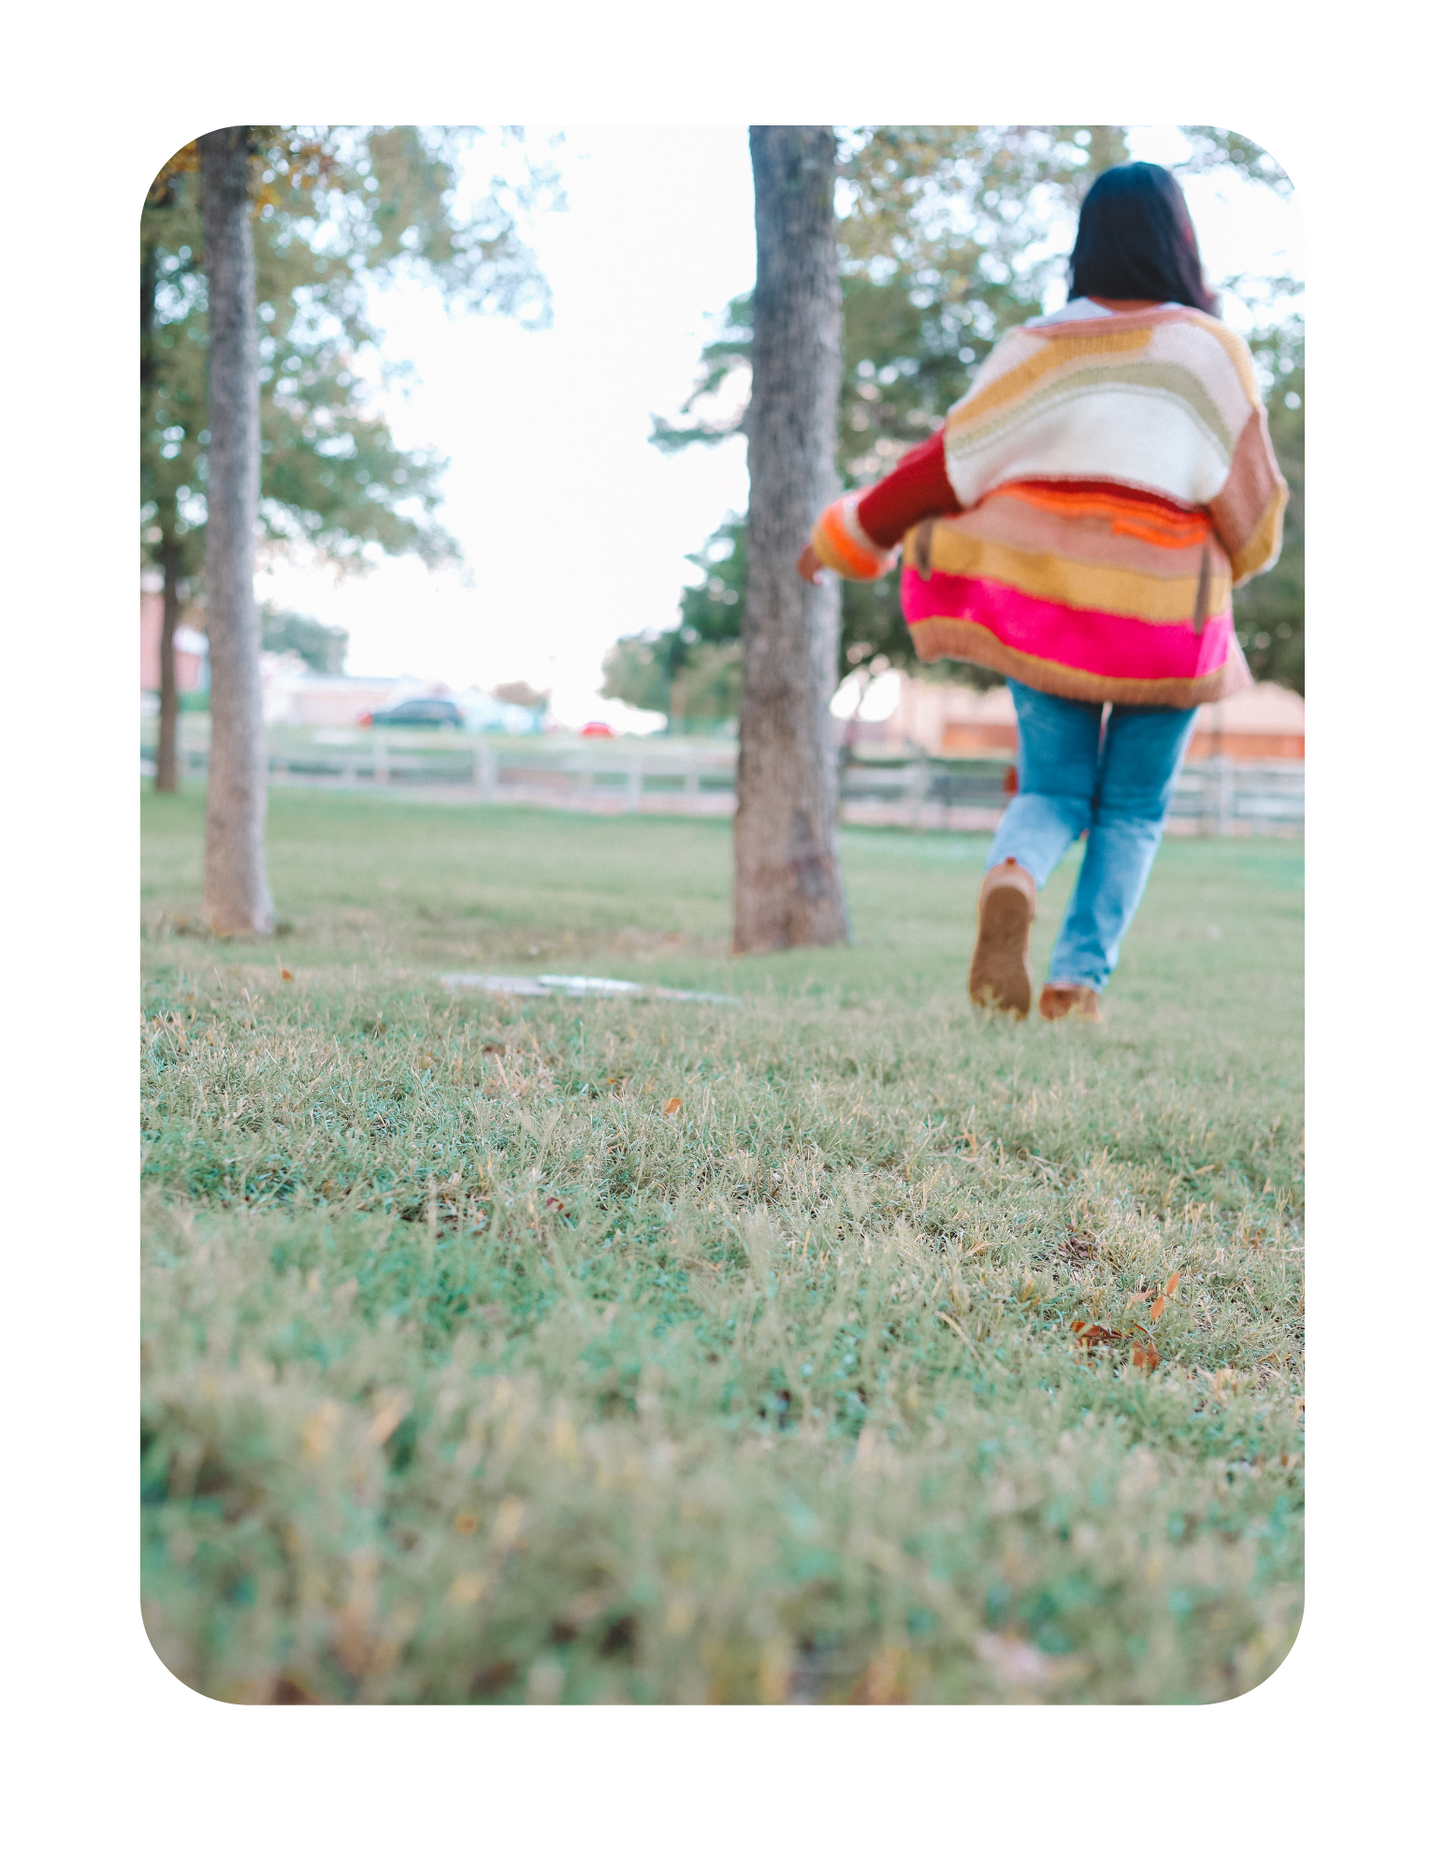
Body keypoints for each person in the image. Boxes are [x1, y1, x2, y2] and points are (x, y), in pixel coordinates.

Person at [799, 162, 1288, 1022]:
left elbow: (939, 469)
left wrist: (845, 536)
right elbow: (1251, 513)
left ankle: (1014, 873)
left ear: (1085, 240)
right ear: (1179, 239)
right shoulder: (1208, 353)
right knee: (1132, 809)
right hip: (1164, 623)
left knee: (1052, 790)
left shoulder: (1035, 348)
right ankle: (1075, 982)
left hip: (1044, 613)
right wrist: (1234, 563)